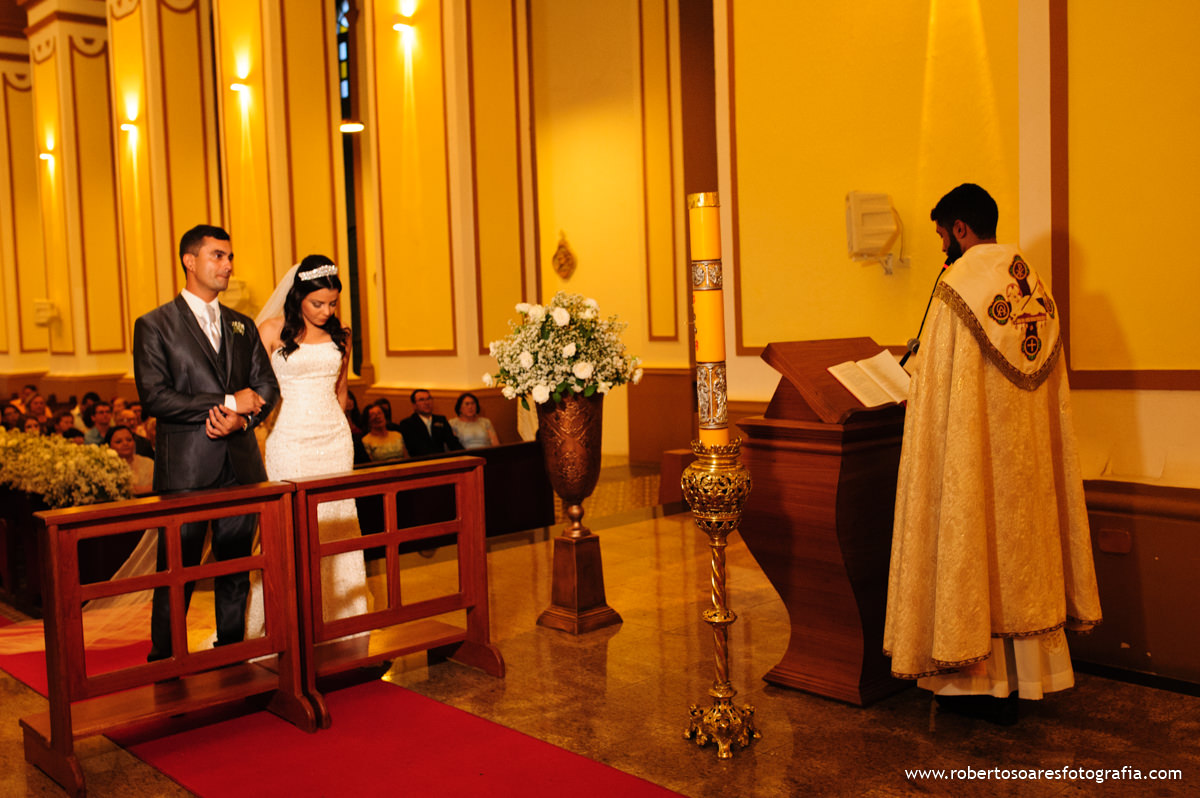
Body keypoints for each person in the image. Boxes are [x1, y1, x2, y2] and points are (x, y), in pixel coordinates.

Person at [883, 184, 1102, 724]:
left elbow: (935, 381)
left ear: (961, 229)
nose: (942, 251)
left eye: (942, 236)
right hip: (1025, 464)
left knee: (972, 547)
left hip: (972, 459)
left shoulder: (958, 287)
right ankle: (1024, 680)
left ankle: (971, 686)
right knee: (1018, 560)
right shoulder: (1035, 287)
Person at [133, 223, 279, 661]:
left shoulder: (242, 325)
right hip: (186, 472)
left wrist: (242, 420)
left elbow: (266, 387)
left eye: (230, 257)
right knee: (177, 574)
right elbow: (156, 397)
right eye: (218, 256)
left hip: (241, 466)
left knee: (235, 570)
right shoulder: (155, 325)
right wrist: (231, 401)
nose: (228, 265)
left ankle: (230, 656)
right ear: (189, 260)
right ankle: (166, 661)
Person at [248, 253, 368, 632]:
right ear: (298, 295)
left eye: (332, 303)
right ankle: (287, 620)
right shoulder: (269, 331)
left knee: (336, 524)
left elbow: (342, 391)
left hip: (334, 438)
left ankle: (343, 615)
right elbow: (258, 391)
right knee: (293, 528)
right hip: (290, 437)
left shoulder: (341, 335)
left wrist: (344, 428)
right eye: (318, 303)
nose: (326, 311)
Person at [398, 389, 463, 456]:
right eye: (421, 400)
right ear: (414, 405)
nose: (426, 403)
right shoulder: (407, 424)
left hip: (441, 460)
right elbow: (413, 447)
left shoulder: (441, 420)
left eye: (429, 399)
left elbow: (452, 443)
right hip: (420, 462)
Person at [105, 424, 155, 495]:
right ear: (109, 446)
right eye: (119, 442)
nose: (125, 443)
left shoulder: (148, 463)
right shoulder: (105, 468)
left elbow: (158, 487)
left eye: (129, 440)